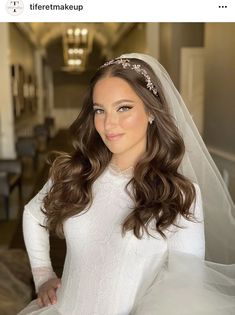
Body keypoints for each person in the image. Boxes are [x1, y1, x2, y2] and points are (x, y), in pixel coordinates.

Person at [18, 53, 235, 315]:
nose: (109, 123)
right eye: (100, 110)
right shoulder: (75, 171)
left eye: (124, 108)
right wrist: (43, 275)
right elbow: (33, 215)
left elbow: (185, 291)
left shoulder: (179, 194)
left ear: (152, 112)